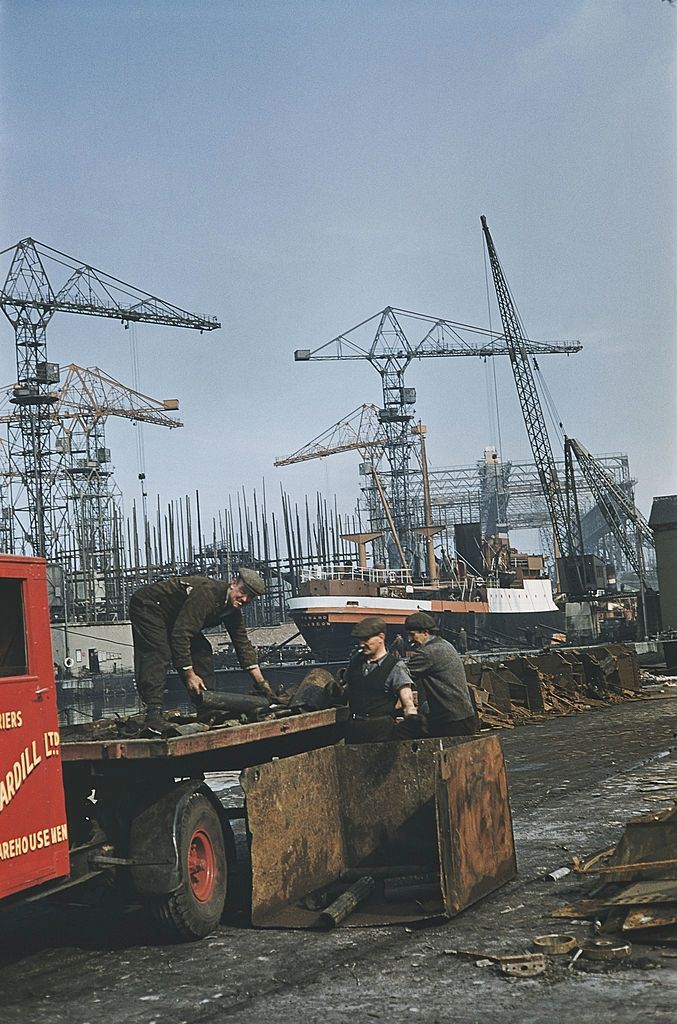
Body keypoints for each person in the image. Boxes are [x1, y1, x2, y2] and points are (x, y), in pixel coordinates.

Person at [130, 569, 272, 733]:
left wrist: (262, 684)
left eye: (251, 597)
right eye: (243, 591)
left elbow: (242, 644)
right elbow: (181, 634)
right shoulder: (207, 594)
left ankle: (208, 709)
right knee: (158, 653)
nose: (245, 599)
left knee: (202, 651)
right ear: (233, 583)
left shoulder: (231, 609)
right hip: (150, 606)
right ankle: (153, 716)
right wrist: (189, 674)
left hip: (174, 616)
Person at [343, 615, 418, 743]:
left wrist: (412, 722)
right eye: (360, 640)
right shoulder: (355, 662)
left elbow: (408, 702)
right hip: (354, 730)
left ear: (381, 637)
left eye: (366, 639)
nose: (362, 644)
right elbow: (346, 687)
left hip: (381, 733)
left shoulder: (396, 667)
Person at [403, 611, 479, 738]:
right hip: (463, 716)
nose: (409, 639)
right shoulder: (444, 644)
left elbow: (400, 675)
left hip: (452, 722)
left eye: (412, 634)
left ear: (425, 633)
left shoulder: (428, 653)